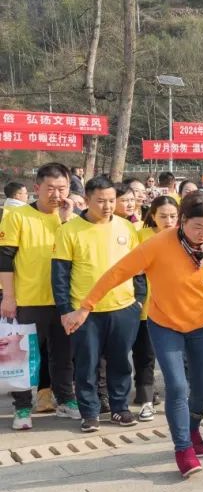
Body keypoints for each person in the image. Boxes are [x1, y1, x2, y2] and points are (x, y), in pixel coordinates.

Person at [65, 192, 203, 477]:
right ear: (183, 220)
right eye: (197, 227)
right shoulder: (158, 244)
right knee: (177, 387)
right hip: (165, 325)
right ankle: (183, 448)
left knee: (201, 389)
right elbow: (117, 273)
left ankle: (192, 428)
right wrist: (86, 307)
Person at [53, 176, 144, 431]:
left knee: (120, 362)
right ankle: (90, 412)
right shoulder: (69, 230)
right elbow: (60, 274)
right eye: (101, 201)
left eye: (112, 200)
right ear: (87, 200)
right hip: (85, 313)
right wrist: (65, 310)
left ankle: (120, 408)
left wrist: (139, 300)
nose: (107, 206)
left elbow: (138, 269)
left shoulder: (126, 227)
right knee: (86, 364)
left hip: (123, 308)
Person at [1, 163, 80, 430]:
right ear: (37, 188)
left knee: (63, 355)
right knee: (23, 357)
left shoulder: (72, 219)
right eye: (50, 188)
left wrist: (67, 219)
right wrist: (8, 297)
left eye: (62, 188)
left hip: (64, 301)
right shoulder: (18, 216)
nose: (57, 194)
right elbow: (5, 259)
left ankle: (66, 400)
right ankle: (23, 407)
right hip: (29, 299)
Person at [132, 196, 178, 419]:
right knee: (146, 356)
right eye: (163, 216)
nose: (168, 221)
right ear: (152, 216)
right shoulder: (141, 236)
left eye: (173, 216)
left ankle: (179, 397)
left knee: (176, 357)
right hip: (148, 307)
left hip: (178, 307)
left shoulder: (184, 236)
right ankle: (146, 400)